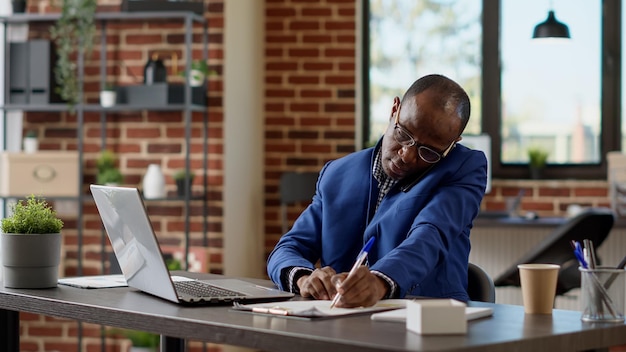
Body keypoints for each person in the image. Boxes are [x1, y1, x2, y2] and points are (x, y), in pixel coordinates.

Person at [267, 74, 488, 308]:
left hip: (431, 324)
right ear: (395, 109)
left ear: (453, 143)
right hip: (342, 325)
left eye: (429, 152)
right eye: (404, 135)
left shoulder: (465, 168)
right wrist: (304, 279)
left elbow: (430, 236)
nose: (407, 155)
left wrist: (379, 281)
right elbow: (288, 248)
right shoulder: (336, 174)